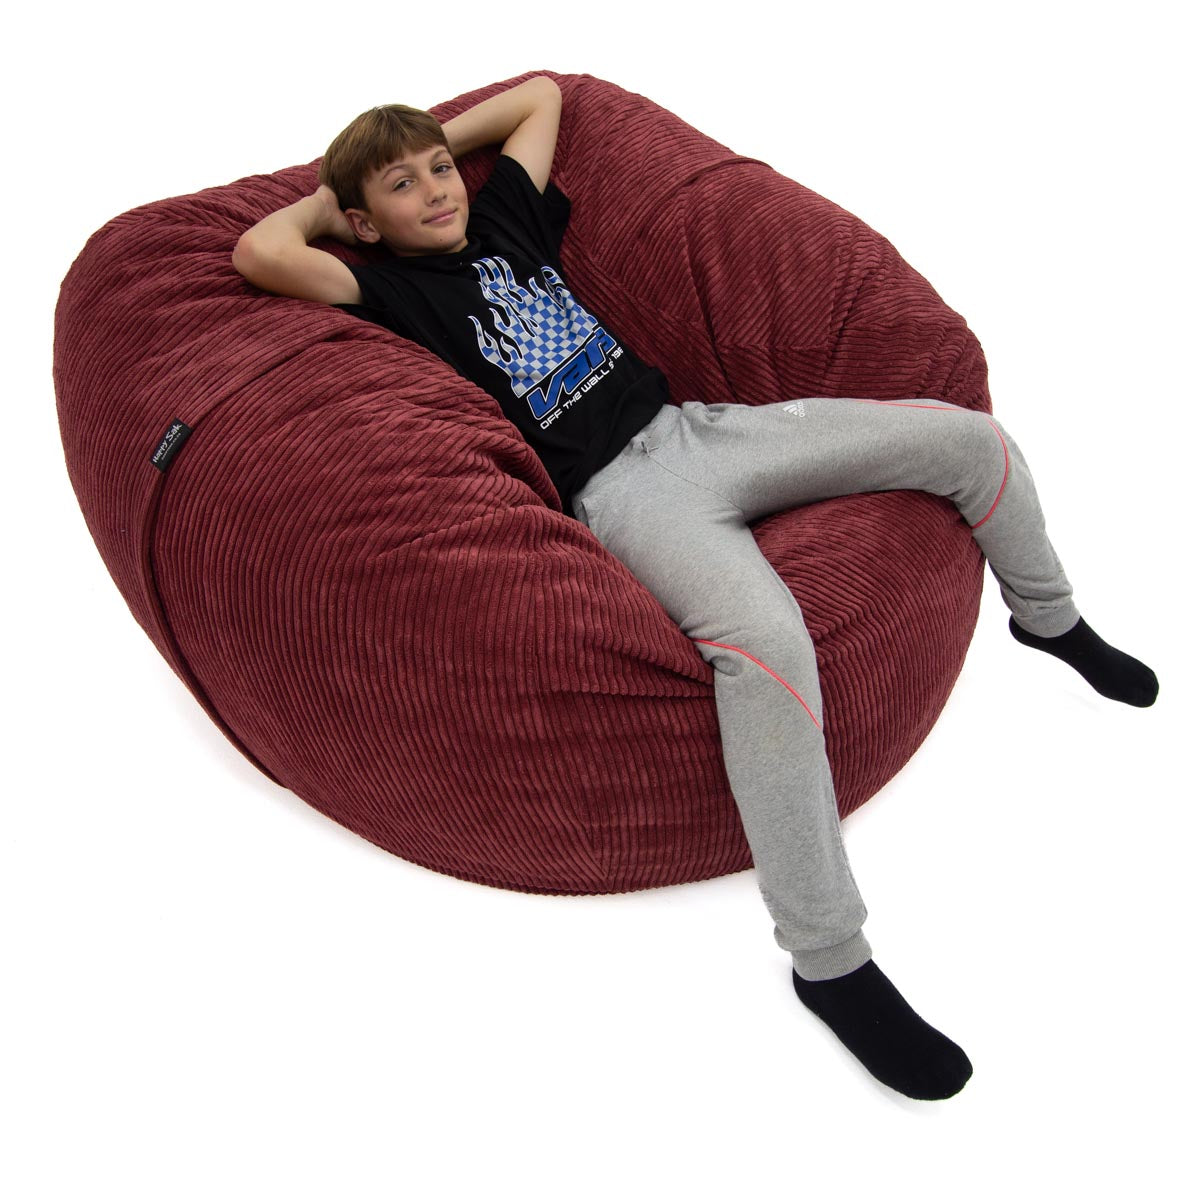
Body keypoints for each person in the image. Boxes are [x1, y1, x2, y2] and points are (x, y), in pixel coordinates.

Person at [231, 76, 1158, 1101]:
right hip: (623, 498)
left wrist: (416, 151)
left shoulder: (504, 217)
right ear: (364, 223)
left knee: (970, 441)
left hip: (704, 430)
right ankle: (831, 960)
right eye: (404, 188)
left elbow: (541, 95)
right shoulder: (391, 292)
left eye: (442, 168)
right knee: (768, 644)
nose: (439, 189)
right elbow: (259, 252)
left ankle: (1050, 619)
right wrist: (340, 197)